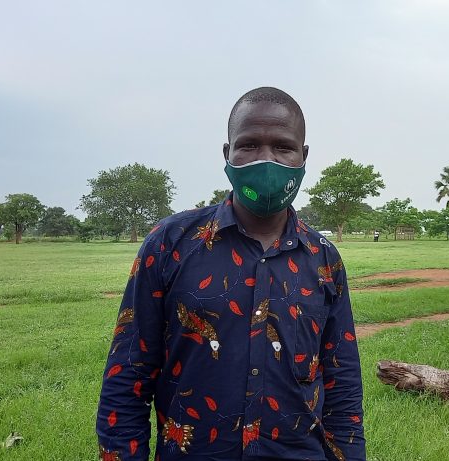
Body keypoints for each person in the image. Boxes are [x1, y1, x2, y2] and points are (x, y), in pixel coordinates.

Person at [96, 87, 366, 461]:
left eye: (283, 147)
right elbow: (127, 379)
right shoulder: (169, 244)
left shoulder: (324, 260)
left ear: (303, 157)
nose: (266, 159)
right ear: (228, 154)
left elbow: (342, 386)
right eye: (249, 144)